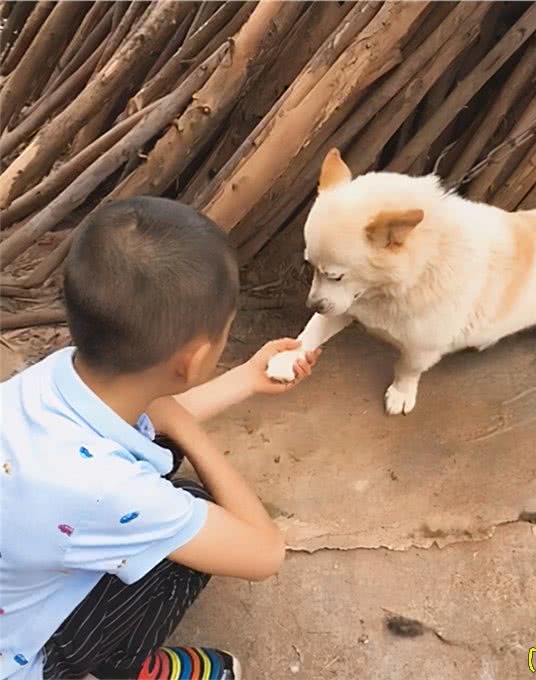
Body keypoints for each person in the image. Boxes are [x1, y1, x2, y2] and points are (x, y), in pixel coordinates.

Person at [0, 197, 320, 680]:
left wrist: (245, 380)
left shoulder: (47, 379)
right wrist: (188, 430)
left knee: (163, 462)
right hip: (18, 658)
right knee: (190, 514)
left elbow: (148, 419)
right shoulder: (109, 490)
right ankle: (113, 666)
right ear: (191, 360)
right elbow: (262, 552)